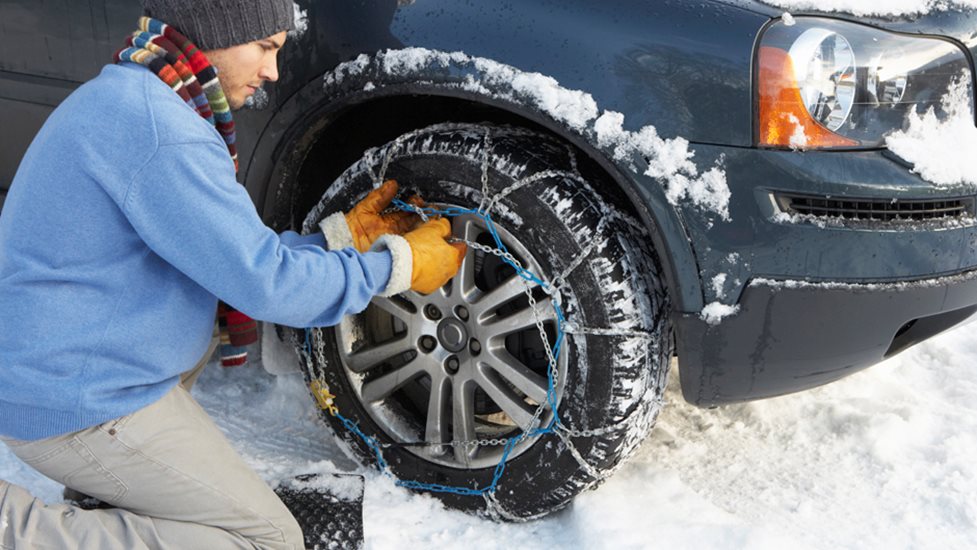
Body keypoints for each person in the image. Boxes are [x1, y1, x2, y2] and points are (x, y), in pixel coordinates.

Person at [0, 0, 464, 548]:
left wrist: (341, 244)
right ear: (215, 33)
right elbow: (268, 284)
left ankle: (111, 493)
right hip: (76, 401)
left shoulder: (138, 94)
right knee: (267, 540)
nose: (272, 72)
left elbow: (227, 254)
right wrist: (396, 266)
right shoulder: (162, 131)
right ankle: (26, 530)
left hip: (72, 361)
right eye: (266, 47)